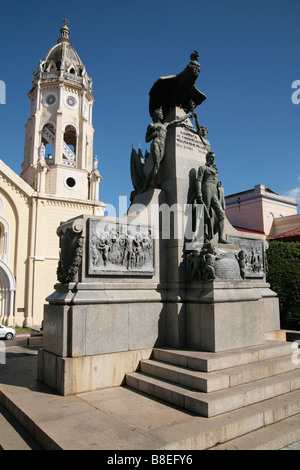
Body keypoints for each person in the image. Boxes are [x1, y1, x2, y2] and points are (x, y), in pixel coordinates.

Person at [141, 108, 193, 190]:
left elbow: (177, 121)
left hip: (162, 145)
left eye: (162, 114)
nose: (162, 115)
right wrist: (153, 135)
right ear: (156, 115)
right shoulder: (151, 125)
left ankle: (145, 186)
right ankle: (155, 185)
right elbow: (146, 139)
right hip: (156, 143)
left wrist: (187, 116)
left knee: (156, 166)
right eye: (160, 114)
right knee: (156, 165)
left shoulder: (165, 125)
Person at [195, 151, 227, 244]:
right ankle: (204, 237)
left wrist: (218, 182)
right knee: (206, 213)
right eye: (212, 157)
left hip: (215, 191)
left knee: (221, 214)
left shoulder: (215, 170)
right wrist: (199, 193)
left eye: (214, 158)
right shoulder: (203, 168)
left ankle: (221, 238)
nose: (213, 159)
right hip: (207, 188)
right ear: (207, 158)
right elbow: (199, 180)